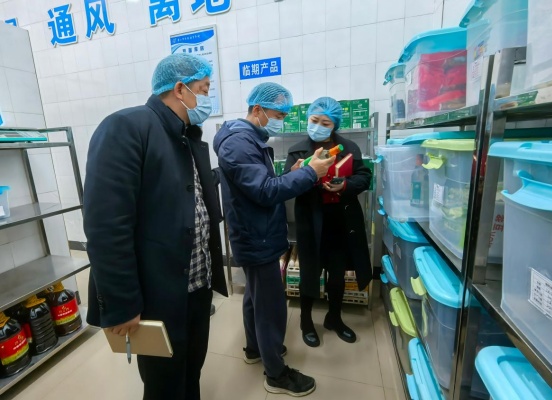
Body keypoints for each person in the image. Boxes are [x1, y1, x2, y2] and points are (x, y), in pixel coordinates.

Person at [83, 53, 227, 400]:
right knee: (164, 383)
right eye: (203, 89)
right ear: (180, 89)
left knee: (191, 368)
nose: (207, 98)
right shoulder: (127, 127)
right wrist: (122, 303)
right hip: (157, 293)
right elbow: (106, 226)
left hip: (196, 284)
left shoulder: (186, 137)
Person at [213, 82, 335, 397]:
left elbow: (260, 185)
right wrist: (311, 173)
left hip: (256, 231)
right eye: (278, 115)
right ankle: (276, 375)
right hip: (257, 236)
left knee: (256, 297)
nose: (281, 121)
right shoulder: (239, 143)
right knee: (270, 306)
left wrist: (294, 172)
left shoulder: (248, 139)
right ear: (258, 109)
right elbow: (266, 192)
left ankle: (256, 348)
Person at [284, 97, 372, 348]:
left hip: (340, 220)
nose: (318, 127)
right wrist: (296, 173)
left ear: (335, 125)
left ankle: (334, 318)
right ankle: (306, 321)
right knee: (309, 273)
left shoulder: (349, 148)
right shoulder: (297, 151)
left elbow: (364, 177)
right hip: (310, 220)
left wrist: (344, 185)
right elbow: (285, 184)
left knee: (337, 273)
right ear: (308, 119)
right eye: (314, 121)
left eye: (326, 123)